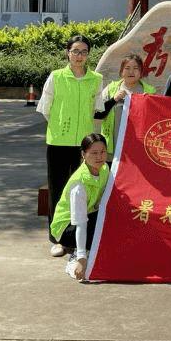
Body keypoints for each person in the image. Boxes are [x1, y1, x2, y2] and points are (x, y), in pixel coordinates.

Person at [37, 35, 105, 258]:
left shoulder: (96, 79)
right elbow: (46, 109)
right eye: (75, 51)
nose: (79, 56)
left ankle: (76, 237)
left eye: (84, 52)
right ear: (67, 53)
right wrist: (61, 127)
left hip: (84, 145)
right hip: (58, 142)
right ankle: (57, 238)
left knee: (80, 190)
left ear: (88, 55)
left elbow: (97, 109)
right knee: (57, 189)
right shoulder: (56, 77)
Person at [49, 133, 110, 282]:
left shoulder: (104, 169)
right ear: (83, 154)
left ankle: (89, 251)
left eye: (102, 152)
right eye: (94, 153)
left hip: (87, 217)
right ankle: (76, 258)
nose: (99, 157)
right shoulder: (79, 185)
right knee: (101, 224)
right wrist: (82, 258)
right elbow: (80, 223)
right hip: (67, 228)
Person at [101, 54, 156, 162]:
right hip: (113, 147)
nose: (131, 72)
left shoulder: (150, 92)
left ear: (141, 72)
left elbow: (155, 120)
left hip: (139, 147)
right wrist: (114, 99)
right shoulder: (111, 89)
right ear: (121, 71)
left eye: (135, 68)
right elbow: (98, 114)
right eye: (127, 68)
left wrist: (148, 104)